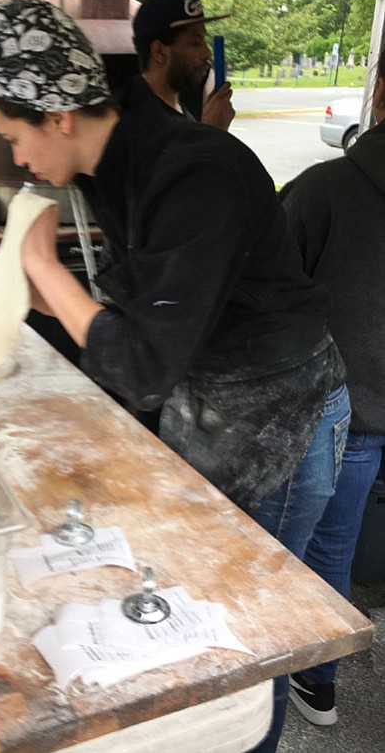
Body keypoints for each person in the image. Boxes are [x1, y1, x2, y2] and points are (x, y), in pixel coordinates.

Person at [0, 0, 348, 752]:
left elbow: (141, 363)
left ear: (59, 116)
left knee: (244, 632)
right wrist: (44, 306)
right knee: (189, 607)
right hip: (207, 390)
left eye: (14, 137)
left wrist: (45, 268)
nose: (17, 161)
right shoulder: (114, 162)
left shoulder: (195, 170)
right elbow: (142, 321)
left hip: (282, 408)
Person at [279, 46, 385, 727]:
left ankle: (315, 682)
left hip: (346, 415)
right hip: (364, 415)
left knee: (322, 550)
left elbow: (268, 302)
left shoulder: (321, 191)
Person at [132, 0, 235, 130]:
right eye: (196, 42)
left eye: (204, 40)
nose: (207, 52)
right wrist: (213, 130)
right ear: (159, 51)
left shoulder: (177, 111)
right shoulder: (136, 120)